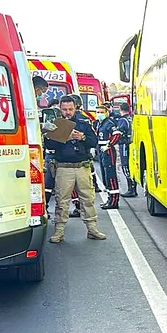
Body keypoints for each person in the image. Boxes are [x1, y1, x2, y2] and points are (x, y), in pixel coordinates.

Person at [44, 96, 106, 242]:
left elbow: (94, 141)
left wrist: (82, 137)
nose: (67, 112)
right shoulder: (56, 124)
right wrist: (62, 137)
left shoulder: (83, 123)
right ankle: (59, 231)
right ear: (60, 109)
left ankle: (92, 228)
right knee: (62, 200)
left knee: (88, 199)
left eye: (70, 109)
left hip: (82, 167)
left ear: (75, 108)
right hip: (63, 167)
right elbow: (50, 146)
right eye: (64, 109)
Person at [94, 104, 121, 209]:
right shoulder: (99, 124)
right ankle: (109, 199)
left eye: (101, 112)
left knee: (110, 175)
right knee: (105, 176)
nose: (99, 114)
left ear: (106, 113)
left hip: (108, 150)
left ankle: (114, 201)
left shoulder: (109, 123)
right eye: (97, 112)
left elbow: (117, 134)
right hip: (101, 150)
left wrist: (109, 145)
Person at [117, 102, 137, 198]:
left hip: (124, 144)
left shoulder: (123, 120)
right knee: (131, 165)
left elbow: (119, 132)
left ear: (120, 109)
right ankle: (133, 188)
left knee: (126, 166)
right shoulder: (130, 118)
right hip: (131, 143)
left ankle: (131, 189)